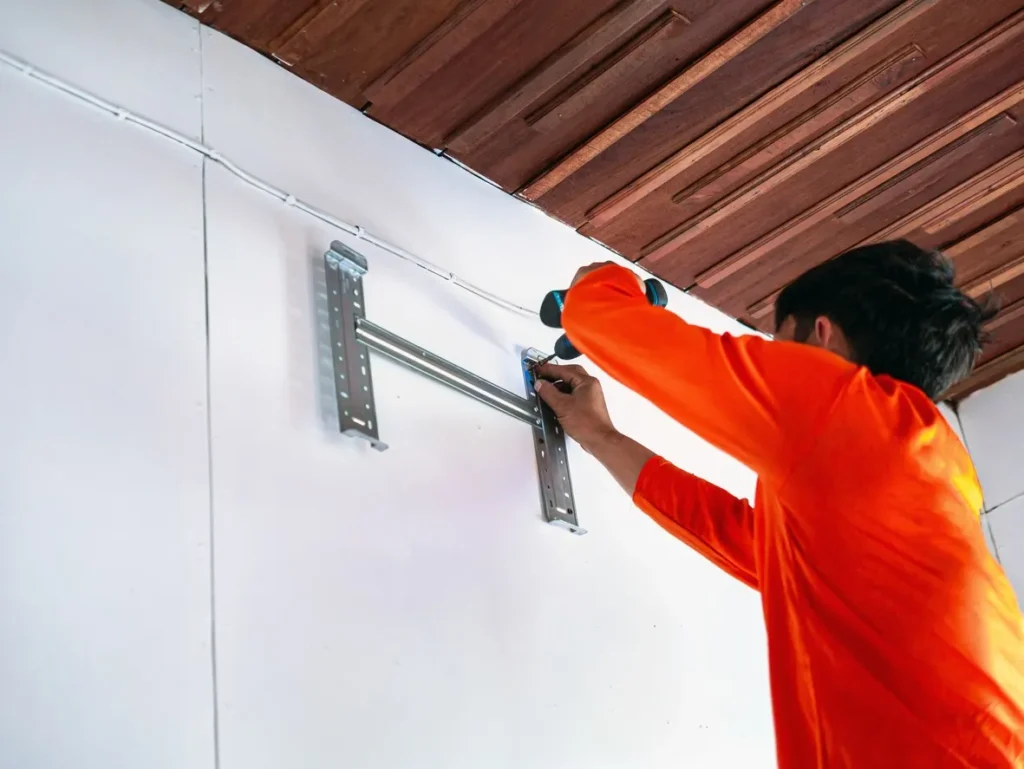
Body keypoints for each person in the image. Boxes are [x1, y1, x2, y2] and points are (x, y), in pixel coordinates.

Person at [532, 240, 1024, 768]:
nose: (771, 363)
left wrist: (601, 286)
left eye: (775, 345)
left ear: (822, 334)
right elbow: (741, 540)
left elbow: (612, 326)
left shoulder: (847, 409)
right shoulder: (915, 468)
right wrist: (601, 437)